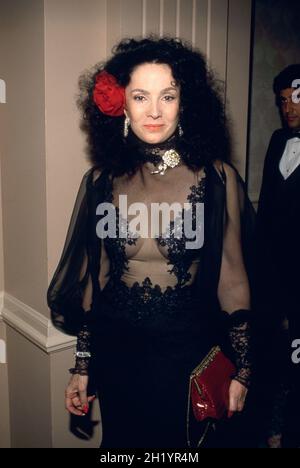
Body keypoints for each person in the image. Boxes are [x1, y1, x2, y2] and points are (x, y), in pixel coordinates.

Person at [47, 36, 255, 448]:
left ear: (185, 102)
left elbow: (232, 279)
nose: (155, 111)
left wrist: (244, 369)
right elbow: (96, 277)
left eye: (168, 96)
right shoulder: (100, 182)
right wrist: (83, 364)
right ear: (121, 104)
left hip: (188, 360)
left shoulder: (217, 179)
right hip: (119, 357)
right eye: (141, 96)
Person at [255, 64, 300, 448]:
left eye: (295, 99)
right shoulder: (275, 140)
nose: (288, 108)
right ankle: (271, 431)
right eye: (282, 101)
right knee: (273, 359)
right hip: (272, 277)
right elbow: (267, 210)